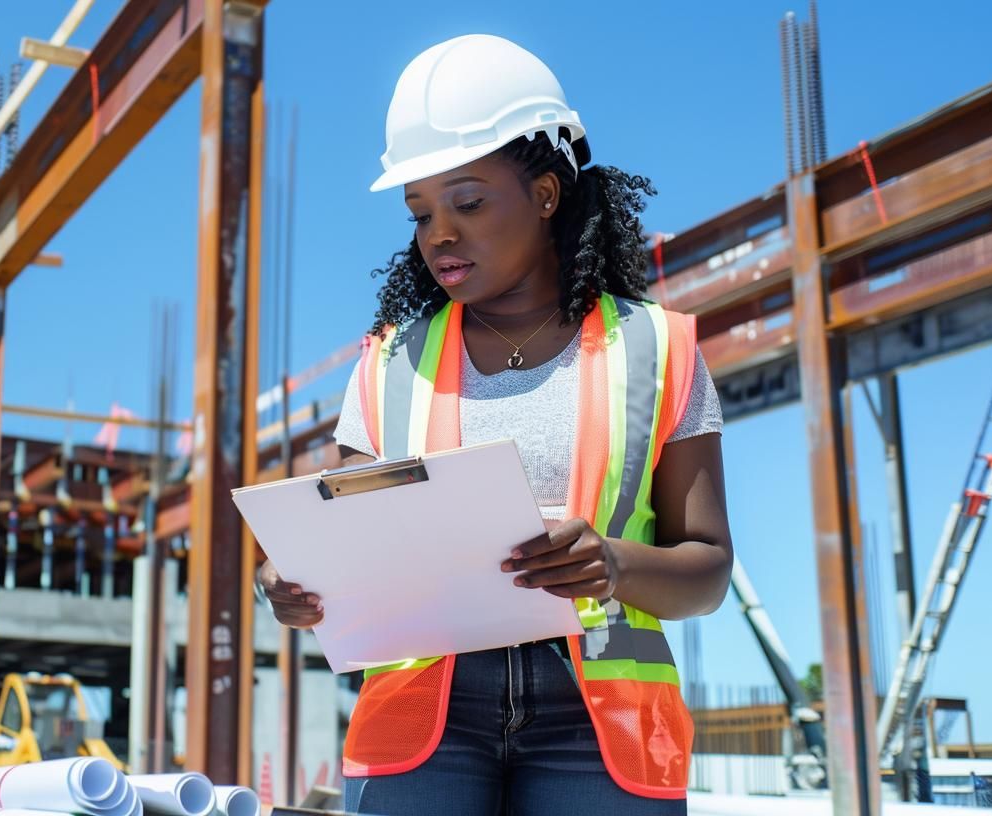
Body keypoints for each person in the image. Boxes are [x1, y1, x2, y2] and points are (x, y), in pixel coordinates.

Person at [258, 35, 734, 815]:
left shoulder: (658, 350)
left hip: (601, 728)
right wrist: (291, 584)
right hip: (423, 726)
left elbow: (708, 568)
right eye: (420, 211)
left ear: (547, 194)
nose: (439, 232)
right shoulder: (386, 368)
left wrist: (613, 563)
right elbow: (343, 551)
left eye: (468, 201)